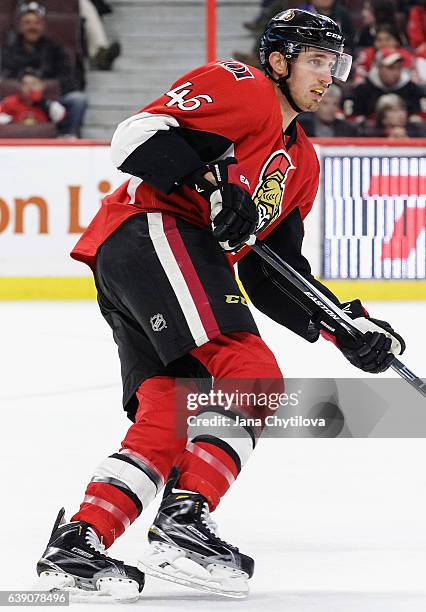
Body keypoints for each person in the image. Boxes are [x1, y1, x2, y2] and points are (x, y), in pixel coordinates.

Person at [35, 9, 406, 602]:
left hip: (148, 257)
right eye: (316, 61)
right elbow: (132, 138)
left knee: (170, 414)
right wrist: (209, 185)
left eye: (334, 64)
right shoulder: (243, 87)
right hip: (152, 229)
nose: (329, 76)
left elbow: (270, 271)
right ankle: (184, 520)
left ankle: (80, 543)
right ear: (279, 62)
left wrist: (349, 328)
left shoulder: (302, 163)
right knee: (253, 374)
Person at [0, 2, 87, 137]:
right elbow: (4, 77)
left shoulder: (56, 49)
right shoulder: (8, 50)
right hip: (16, 97)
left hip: (49, 98)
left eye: (36, 23)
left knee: (78, 100)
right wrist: (25, 87)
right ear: (20, 26)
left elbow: (67, 78)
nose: (32, 27)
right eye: (27, 22)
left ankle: (68, 136)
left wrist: (44, 88)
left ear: (43, 26)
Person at [345, 48, 425, 120]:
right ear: (379, 67)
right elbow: (351, 117)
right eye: (390, 68)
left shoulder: (412, 89)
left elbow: (421, 117)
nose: (396, 72)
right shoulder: (363, 89)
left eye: (398, 68)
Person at [0, 67, 65, 127]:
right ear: (19, 87)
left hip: (42, 138)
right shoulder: (9, 102)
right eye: (25, 84)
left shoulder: (48, 104)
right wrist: (10, 122)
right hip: (17, 137)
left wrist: (43, 102)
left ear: (42, 86)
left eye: (34, 84)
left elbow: (60, 117)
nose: (30, 88)